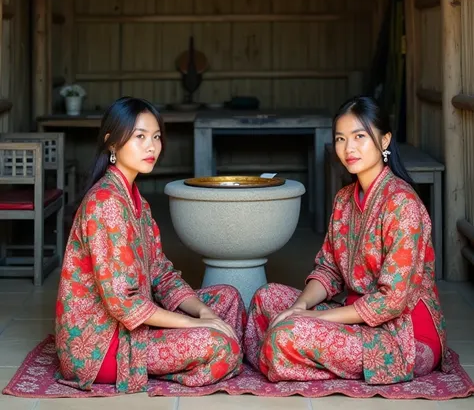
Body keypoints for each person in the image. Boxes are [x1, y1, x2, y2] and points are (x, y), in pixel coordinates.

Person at [244, 96, 446, 385]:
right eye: (340, 138)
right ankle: (291, 356)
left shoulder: (403, 205)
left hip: (405, 335)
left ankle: (287, 353)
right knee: (267, 298)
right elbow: (328, 270)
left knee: (287, 335)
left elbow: (391, 301)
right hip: (355, 319)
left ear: (385, 140)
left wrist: (315, 320)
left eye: (359, 136)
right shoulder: (343, 200)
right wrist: (300, 307)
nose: (348, 148)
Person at [55, 97, 244, 393]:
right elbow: (123, 303)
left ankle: (193, 347)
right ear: (112, 144)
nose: (151, 147)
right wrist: (195, 325)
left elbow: (161, 273)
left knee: (229, 298)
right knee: (222, 346)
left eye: (156, 137)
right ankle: (166, 369)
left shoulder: (136, 201)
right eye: (140, 136)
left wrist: (202, 313)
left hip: (136, 327)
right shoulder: (105, 203)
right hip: (104, 344)